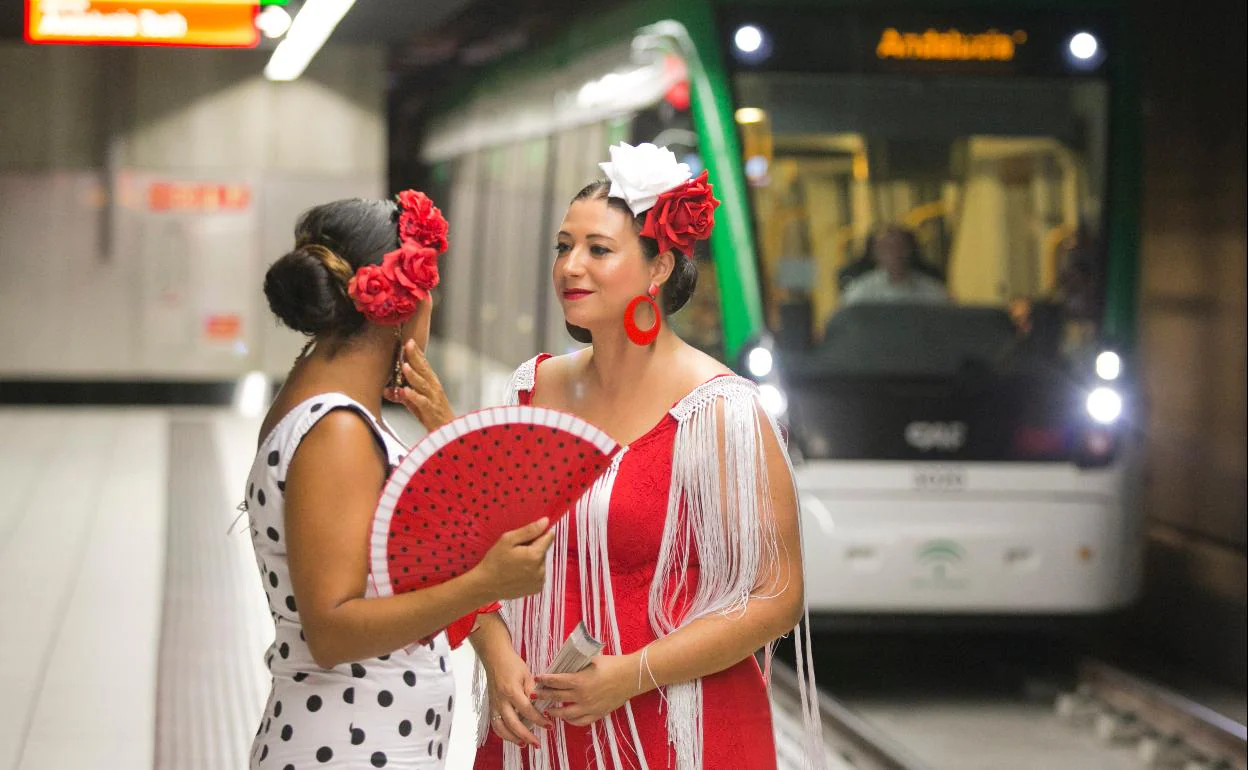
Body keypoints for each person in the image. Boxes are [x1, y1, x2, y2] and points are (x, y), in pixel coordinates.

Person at [465, 143, 823, 769]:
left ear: (658, 269)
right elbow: (474, 548)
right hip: (541, 730)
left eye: (598, 250)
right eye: (562, 247)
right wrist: (497, 656)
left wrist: (630, 674)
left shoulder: (721, 411)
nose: (570, 266)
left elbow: (777, 593)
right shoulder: (528, 391)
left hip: (677, 730)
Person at [246, 193, 553, 769]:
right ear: (400, 306)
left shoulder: (312, 399)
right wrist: (483, 581)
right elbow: (332, 630)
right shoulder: (338, 429)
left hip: (354, 738)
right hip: (349, 746)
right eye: (429, 288)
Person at [841, 224, 948, 306]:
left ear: (910, 249)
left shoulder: (932, 291)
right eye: (885, 248)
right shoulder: (860, 292)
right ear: (874, 253)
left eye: (899, 246)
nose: (893, 252)